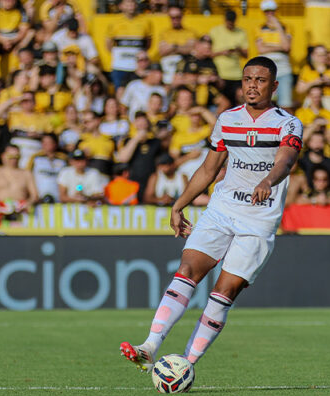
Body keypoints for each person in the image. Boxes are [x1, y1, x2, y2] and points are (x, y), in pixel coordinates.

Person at [120, 56, 304, 370]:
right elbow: (208, 169)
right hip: (222, 208)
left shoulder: (287, 123)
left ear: (274, 86)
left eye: (260, 80)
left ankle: (186, 363)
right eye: (247, 79)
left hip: (258, 218)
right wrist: (179, 205)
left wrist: (268, 181)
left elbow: (285, 162)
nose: (252, 86)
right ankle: (150, 345)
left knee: (225, 290)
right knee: (188, 268)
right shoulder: (227, 119)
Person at [256, 0, 293, 109]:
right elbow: (261, 49)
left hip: (284, 69)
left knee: (285, 105)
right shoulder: (259, 27)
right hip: (266, 70)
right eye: (267, 11)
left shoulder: (286, 27)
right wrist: (279, 47)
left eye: (272, 11)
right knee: (264, 103)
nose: (270, 14)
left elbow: (287, 47)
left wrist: (278, 26)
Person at [209, 10, 249, 105]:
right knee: (223, 103)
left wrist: (238, 49)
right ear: (225, 20)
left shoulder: (241, 32)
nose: (230, 24)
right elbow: (208, 53)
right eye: (228, 21)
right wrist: (222, 52)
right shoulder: (215, 31)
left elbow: (246, 54)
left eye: (232, 22)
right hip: (219, 74)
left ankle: (243, 119)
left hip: (236, 75)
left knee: (241, 97)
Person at [0, 145, 38, 217]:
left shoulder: (26, 173)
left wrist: (28, 203)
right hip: (0, 209)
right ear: (3, 156)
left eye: (17, 157)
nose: (14, 160)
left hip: (21, 210)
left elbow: (34, 195)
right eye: (11, 157)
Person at [28, 133, 67, 203]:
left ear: (55, 144)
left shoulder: (63, 159)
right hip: (40, 197)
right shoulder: (35, 158)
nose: (46, 145)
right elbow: (28, 175)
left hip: (58, 198)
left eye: (49, 142)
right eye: (44, 142)